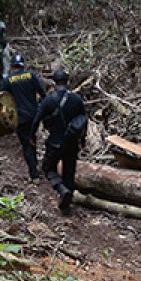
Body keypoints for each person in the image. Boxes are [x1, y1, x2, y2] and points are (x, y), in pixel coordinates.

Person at [31, 69, 87, 212]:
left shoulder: (48, 101)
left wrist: (32, 136)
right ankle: (67, 204)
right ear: (67, 82)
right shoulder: (77, 99)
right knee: (69, 172)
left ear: (54, 83)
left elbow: (36, 120)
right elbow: (83, 121)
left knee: (48, 169)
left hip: (55, 142)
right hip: (72, 142)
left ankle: (62, 190)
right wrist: (82, 140)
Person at [2, 54, 46, 180]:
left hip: (20, 117)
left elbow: (3, 98)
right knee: (32, 138)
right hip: (34, 115)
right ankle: (35, 165)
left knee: (26, 144)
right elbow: (42, 93)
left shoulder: (8, 80)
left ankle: (34, 174)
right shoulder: (31, 75)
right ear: (23, 65)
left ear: (12, 66)